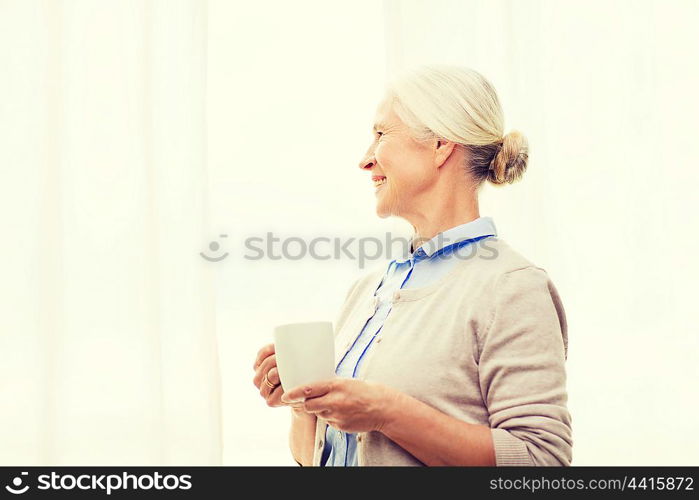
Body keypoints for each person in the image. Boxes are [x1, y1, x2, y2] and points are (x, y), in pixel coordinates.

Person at [252, 65, 572, 466]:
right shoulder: (370, 289)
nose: (365, 161)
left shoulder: (512, 287)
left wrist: (387, 412)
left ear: (440, 145)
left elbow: (540, 462)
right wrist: (304, 404)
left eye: (381, 134)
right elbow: (320, 457)